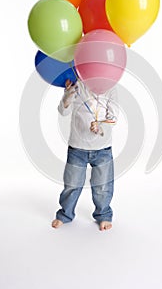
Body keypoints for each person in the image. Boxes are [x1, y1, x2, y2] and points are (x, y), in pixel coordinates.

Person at [51, 78, 118, 231]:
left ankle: (103, 215)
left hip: (103, 148)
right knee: (72, 185)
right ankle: (65, 214)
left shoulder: (111, 86)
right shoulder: (77, 84)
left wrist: (101, 126)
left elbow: (113, 118)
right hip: (77, 147)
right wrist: (67, 96)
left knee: (103, 186)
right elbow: (63, 111)